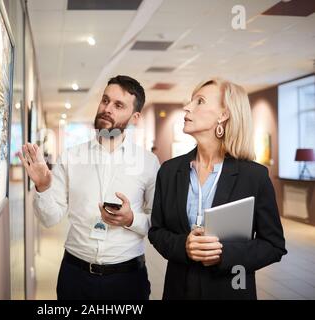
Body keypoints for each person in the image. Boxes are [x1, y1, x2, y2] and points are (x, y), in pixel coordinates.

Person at [18, 75, 160, 300]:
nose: (107, 109)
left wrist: (131, 219)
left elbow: (157, 223)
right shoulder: (71, 157)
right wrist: (43, 186)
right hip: (75, 276)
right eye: (105, 100)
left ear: (135, 117)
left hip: (127, 279)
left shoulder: (148, 163)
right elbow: (49, 219)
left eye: (118, 105)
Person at [148, 77, 287, 300]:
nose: (187, 107)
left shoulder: (254, 176)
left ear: (224, 114)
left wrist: (223, 253)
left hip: (230, 289)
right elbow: (157, 232)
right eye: (191, 101)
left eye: (199, 101)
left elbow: (273, 246)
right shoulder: (169, 171)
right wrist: (185, 245)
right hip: (179, 290)